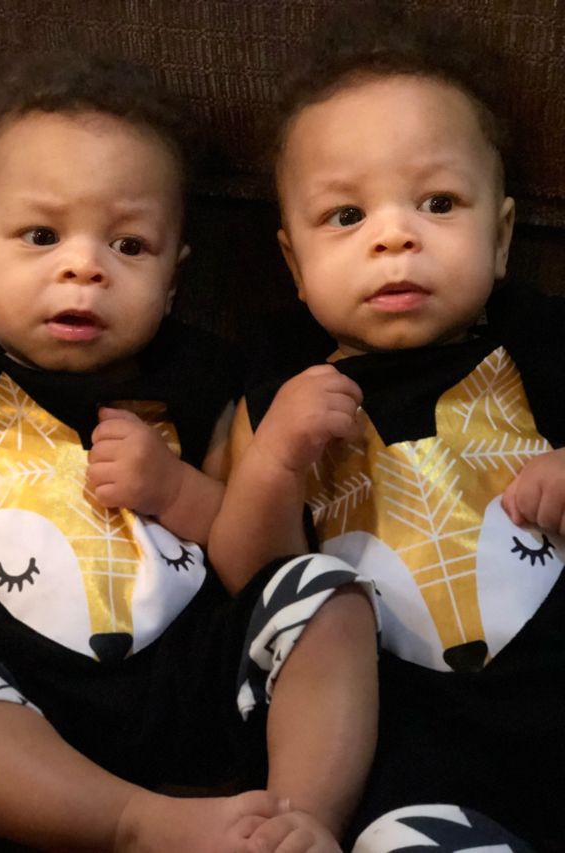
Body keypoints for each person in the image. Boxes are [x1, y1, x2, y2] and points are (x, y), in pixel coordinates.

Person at [0, 53, 379, 852]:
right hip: (18, 713)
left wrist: (174, 490)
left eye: (130, 245)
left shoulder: (208, 386)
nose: (84, 266)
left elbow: (251, 559)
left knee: (325, 590)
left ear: (172, 280)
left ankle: (298, 820)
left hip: (201, 692)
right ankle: (137, 823)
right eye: (41, 236)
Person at [209, 9, 565, 852]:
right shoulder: (279, 390)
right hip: (406, 755)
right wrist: (276, 460)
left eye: (438, 203)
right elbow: (251, 575)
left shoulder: (543, 343)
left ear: (502, 238)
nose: (395, 236)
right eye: (345, 216)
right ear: (294, 265)